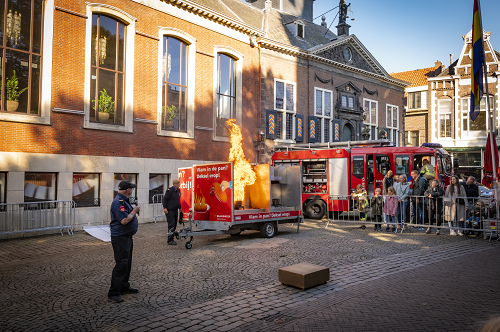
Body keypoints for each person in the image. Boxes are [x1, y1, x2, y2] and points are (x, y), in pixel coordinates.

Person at [108, 180, 141, 303]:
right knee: (121, 264)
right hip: (120, 238)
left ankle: (124, 286)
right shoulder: (119, 202)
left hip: (126, 237)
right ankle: (113, 292)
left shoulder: (124, 200)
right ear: (128, 190)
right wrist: (135, 211)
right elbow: (124, 220)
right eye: (131, 188)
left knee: (127, 264)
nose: (132, 190)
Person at [162, 178, 181, 245]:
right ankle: (170, 240)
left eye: (179, 182)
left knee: (175, 224)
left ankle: (172, 237)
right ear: (174, 184)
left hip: (175, 210)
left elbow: (178, 200)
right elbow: (165, 199)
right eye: (178, 183)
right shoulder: (170, 190)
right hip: (170, 211)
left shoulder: (178, 190)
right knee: (171, 225)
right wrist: (165, 208)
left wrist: (180, 208)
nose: (179, 184)